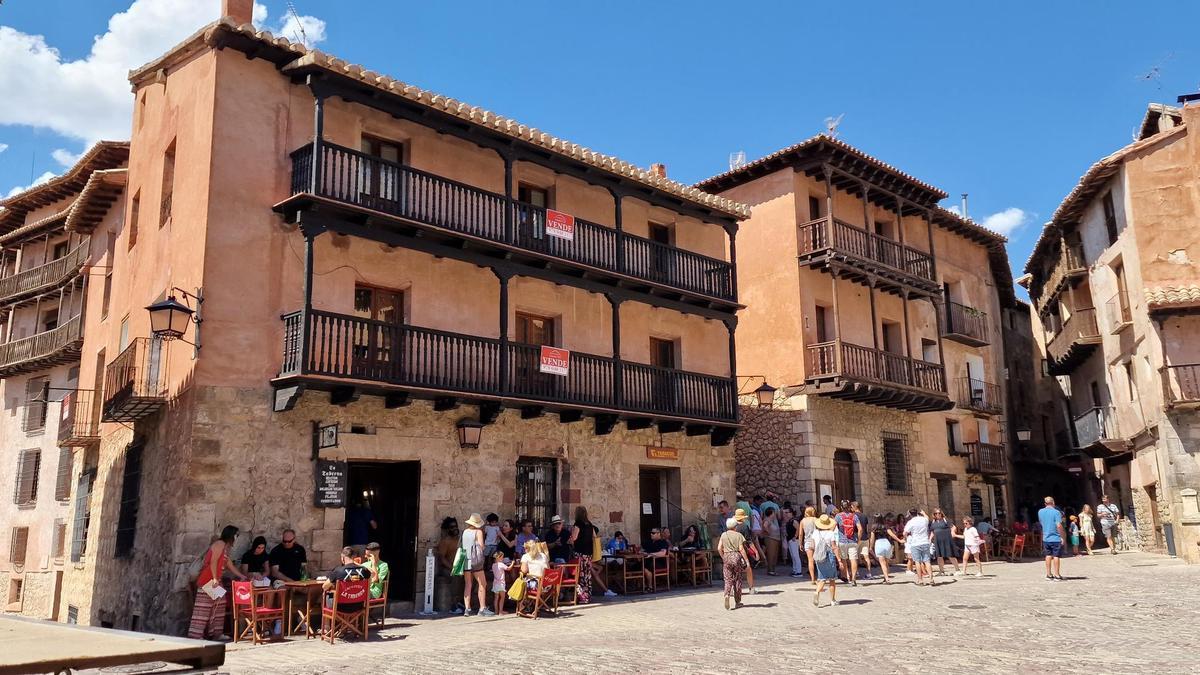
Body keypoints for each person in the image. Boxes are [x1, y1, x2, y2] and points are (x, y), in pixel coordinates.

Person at [188, 525, 247, 640]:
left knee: (219, 605)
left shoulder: (225, 547)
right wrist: (215, 578)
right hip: (208, 580)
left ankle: (215, 633)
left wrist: (241, 576)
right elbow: (213, 562)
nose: (237, 538)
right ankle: (196, 635)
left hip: (214, 581)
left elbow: (229, 564)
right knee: (203, 607)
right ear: (231, 535)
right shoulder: (219, 544)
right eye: (236, 535)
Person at [567, 506, 613, 603]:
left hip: (580, 552)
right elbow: (594, 537)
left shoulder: (578, 524)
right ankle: (587, 596)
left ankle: (582, 597)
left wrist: (570, 540)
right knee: (587, 575)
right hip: (589, 553)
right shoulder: (590, 524)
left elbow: (574, 538)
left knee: (580, 574)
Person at [323, 546, 373, 614]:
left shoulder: (338, 571)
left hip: (340, 606)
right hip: (359, 605)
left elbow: (324, 587)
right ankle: (352, 623)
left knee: (325, 595)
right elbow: (372, 574)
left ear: (343, 558)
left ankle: (328, 624)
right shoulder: (364, 570)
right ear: (354, 557)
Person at [461, 513, 491, 616]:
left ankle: (467, 608)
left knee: (468, 584)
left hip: (465, 560)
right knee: (482, 584)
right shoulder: (478, 532)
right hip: (476, 561)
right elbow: (482, 546)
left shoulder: (464, 532)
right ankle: (482, 608)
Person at [717, 517, 750, 610]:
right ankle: (737, 601)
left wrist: (723, 556)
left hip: (727, 556)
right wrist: (746, 560)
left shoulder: (723, 535)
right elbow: (741, 549)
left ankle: (727, 594)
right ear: (735, 526)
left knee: (727, 579)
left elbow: (719, 548)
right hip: (736, 557)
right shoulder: (738, 535)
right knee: (737, 579)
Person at [811, 514, 841, 607]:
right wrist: (839, 560)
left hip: (818, 556)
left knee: (821, 578)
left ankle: (817, 592)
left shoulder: (815, 533)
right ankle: (832, 600)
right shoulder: (830, 533)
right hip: (828, 556)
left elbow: (812, 546)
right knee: (831, 579)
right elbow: (834, 547)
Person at [834, 500, 862, 586]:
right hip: (852, 540)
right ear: (849, 507)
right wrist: (859, 539)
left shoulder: (838, 516)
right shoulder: (854, 516)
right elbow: (860, 529)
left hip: (842, 541)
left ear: (841, 507)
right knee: (853, 559)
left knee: (844, 559)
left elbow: (833, 527)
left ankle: (847, 576)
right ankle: (853, 578)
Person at [903, 508, 934, 587]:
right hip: (925, 542)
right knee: (927, 561)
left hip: (915, 543)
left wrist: (905, 538)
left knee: (917, 562)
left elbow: (905, 532)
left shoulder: (910, 522)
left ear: (910, 514)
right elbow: (927, 518)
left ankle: (920, 580)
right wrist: (924, 513)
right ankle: (931, 579)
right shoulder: (924, 519)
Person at [1039, 497, 1065, 581]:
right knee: (1056, 556)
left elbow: (1041, 522)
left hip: (1046, 537)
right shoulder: (1056, 512)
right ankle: (1057, 575)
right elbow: (1058, 525)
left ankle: (1049, 574)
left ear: (1045, 503)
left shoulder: (1040, 512)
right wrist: (1062, 536)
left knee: (1048, 555)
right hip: (1055, 537)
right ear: (1053, 502)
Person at [930, 509, 962, 576]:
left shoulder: (945, 520)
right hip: (938, 541)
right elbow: (932, 532)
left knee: (950, 555)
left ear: (941, 513)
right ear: (934, 514)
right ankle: (941, 571)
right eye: (936, 513)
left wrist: (952, 532)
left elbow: (953, 527)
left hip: (947, 540)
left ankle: (957, 570)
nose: (938, 514)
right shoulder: (933, 522)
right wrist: (929, 539)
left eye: (939, 513)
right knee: (939, 556)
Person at [868, 513, 896, 584]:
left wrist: (871, 547)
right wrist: (899, 540)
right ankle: (886, 577)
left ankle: (887, 579)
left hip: (879, 543)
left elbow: (872, 538)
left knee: (882, 563)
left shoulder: (874, 527)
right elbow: (892, 534)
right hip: (887, 543)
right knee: (886, 562)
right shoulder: (886, 526)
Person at [800, 506, 818, 584]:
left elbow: (801, 534)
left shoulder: (803, 521)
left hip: (807, 541)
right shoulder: (816, 520)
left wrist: (800, 543)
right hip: (816, 541)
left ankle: (812, 579)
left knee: (810, 560)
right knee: (818, 560)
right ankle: (820, 577)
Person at [784, 508, 803, 578]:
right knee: (793, 556)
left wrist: (795, 536)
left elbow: (798, 529)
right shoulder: (789, 521)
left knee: (795, 556)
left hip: (794, 540)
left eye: (787, 512)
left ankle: (799, 571)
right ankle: (795, 570)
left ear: (791, 513)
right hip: (790, 539)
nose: (786, 514)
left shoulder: (794, 521)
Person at [762, 506, 782, 576]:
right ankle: (770, 570)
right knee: (771, 555)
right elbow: (765, 526)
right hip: (770, 539)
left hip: (775, 539)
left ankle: (773, 569)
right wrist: (768, 532)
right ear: (771, 513)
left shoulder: (773, 520)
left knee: (774, 555)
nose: (775, 514)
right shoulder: (767, 520)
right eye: (774, 512)